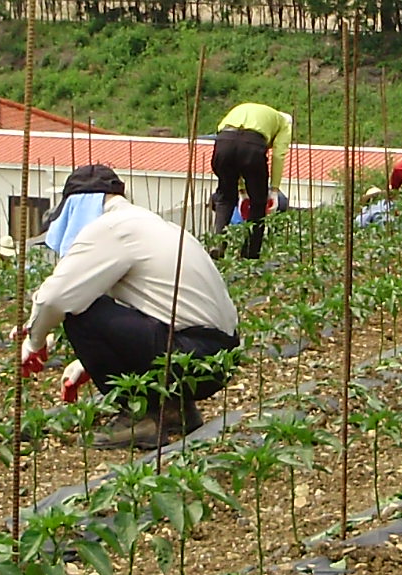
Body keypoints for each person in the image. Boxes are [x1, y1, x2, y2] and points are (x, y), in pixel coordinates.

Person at [18, 163, 241, 448]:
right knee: (93, 306)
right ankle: (174, 410)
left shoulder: (111, 228)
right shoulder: (151, 224)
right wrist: (88, 361)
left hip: (192, 355)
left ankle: (141, 418)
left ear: (79, 205)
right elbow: (144, 312)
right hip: (218, 358)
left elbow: (54, 298)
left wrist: (34, 343)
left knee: (81, 315)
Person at [209, 101, 293, 260]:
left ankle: (218, 242)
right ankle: (249, 254)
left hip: (223, 144)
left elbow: (234, 147)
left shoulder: (244, 109)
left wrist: (241, 191)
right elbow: (278, 155)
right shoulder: (284, 124)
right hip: (252, 146)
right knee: (258, 202)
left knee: (225, 198)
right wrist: (274, 190)